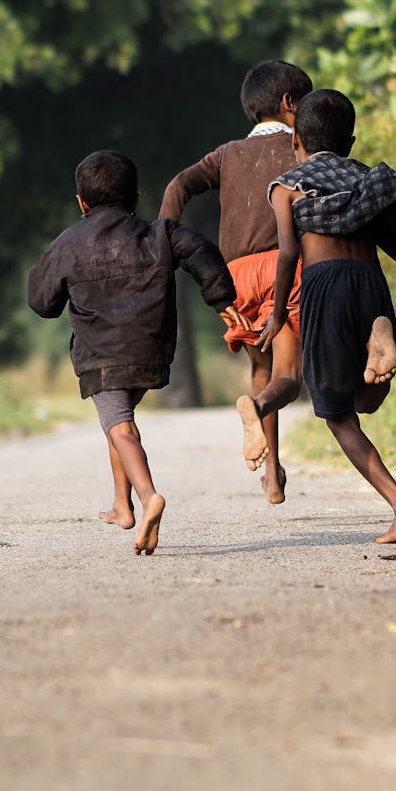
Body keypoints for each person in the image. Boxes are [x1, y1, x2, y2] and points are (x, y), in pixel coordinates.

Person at [252, 89, 396, 544]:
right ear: (350, 141)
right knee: (366, 400)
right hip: (370, 285)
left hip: (324, 287)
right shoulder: (370, 179)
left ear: (296, 141)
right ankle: (380, 331)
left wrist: (276, 313)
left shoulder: (287, 186)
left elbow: (288, 252)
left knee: (338, 414)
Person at [28, 149, 248, 557]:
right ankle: (121, 506)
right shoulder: (160, 233)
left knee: (120, 427)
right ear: (135, 197)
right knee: (118, 422)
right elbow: (200, 251)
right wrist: (220, 299)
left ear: (81, 202)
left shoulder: (69, 243)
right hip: (151, 350)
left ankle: (148, 498)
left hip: (100, 357)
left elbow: (42, 302)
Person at [159, 59, 313, 504]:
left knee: (260, 369)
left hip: (236, 278)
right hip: (286, 271)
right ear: (290, 104)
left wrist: (164, 243)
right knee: (288, 376)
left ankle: (272, 474)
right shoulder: (302, 147)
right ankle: (258, 409)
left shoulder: (225, 154)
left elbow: (177, 186)